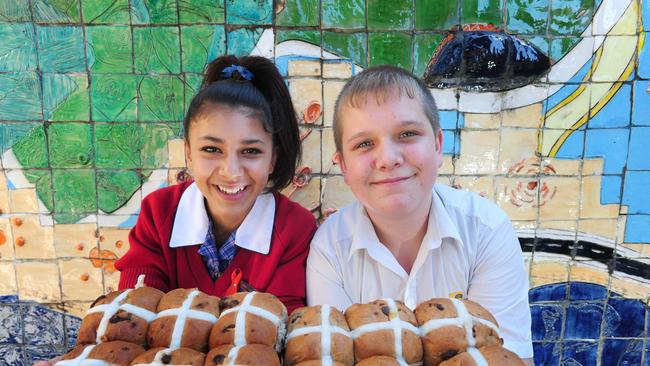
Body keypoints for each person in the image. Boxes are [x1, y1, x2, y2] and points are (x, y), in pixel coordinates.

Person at [306, 65, 533, 363]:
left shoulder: (486, 230)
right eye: (364, 144)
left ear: (438, 146)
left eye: (407, 134)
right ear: (344, 166)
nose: (388, 159)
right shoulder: (330, 248)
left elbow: (507, 357)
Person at [114, 55, 317, 314]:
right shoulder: (159, 212)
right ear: (188, 154)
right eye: (211, 149)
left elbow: (280, 326)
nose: (231, 172)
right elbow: (134, 313)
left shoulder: (295, 229)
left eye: (251, 151)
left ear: (272, 160)